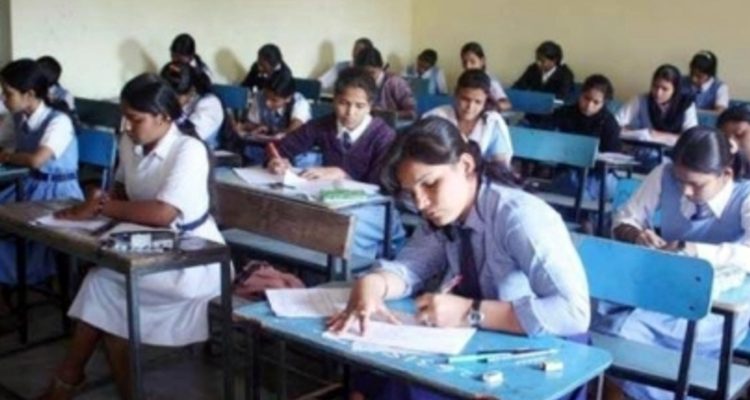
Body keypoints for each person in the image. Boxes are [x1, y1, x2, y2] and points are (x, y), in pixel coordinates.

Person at [328, 117, 590, 400]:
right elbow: (412, 267)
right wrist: (374, 284)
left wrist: (469, 311)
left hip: (542, 346)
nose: (421, 203)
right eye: (411, 193)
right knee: (376, 377)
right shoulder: (444, 214)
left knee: (405, 389)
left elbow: (573, 312)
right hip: (481, 338)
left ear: (465, 166)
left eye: (430, 184)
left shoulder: (520, 217)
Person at [38, 73, 223, 399]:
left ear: (163, 117)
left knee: (103, 287)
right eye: (124, 117)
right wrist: (100, 198)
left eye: (135, 119)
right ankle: (94, 384)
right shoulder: (130, 141)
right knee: (108, 297)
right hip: (145, 246)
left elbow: (163, 213)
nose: (126, 126)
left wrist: (100, 206)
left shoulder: (188, 150)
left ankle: (69, 380)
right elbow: (123, 190)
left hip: (191, 258)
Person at [598, 126, 750, 400]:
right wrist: (637, 236)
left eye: (697, 184)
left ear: (726, 174)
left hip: (714, 311)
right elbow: (624, 219)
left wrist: (692, 249)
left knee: (620, 333)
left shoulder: (745, 198)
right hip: (662, 290)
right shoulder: (665, 174)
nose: (686, 191)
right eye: (680, 181)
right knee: (593, 323)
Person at [267, 67, 404, 259]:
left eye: (359, 106)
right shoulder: (324, 125)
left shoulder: (384, 137)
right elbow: (281, 147)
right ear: (334, 100)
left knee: (333, 229)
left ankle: (347, 272)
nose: (350, 113)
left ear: (370, 106)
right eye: (343, 103)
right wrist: (276, 160)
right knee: (291, 218)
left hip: (375, 209)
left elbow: (382, 188)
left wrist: (343, 175)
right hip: (332, 202)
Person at [0, 59, 83, 289]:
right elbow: (4, 143)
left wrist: (6, 157)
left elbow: (36, 160)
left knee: (19, 232)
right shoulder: (17, 117)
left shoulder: (59, 121)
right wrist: (8, 154)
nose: (3, 99)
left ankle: (21, 277)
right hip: (29, 185)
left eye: (8, 93)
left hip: (59, 193)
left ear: (29, 94)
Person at [423, 69, 512, 166]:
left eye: (478, 102)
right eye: (465, 99)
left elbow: (500, 165)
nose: (470, 107)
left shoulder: (492, 123)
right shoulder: (437, 118)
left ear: (486, 100)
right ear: (456, 93)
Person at [160, 61, 224, 149]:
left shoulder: (210, 104)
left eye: (176, 97)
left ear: (192, 91)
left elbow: (189, 139)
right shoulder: (162, 101)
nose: (170, 101)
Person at [354, 47, 416, 119]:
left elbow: (412, 113)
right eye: (363, 74)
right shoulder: (361, 83)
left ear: (381, 67)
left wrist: (385, 114)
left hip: (393, 124)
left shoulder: (395, 82)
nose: (367, 77)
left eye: (371, 73)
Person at [460, 42, 511, 111]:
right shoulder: (464, 79)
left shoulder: (490, 81)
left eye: (472, 62)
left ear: (482, 61)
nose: (468, 66)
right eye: (464, 62)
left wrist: (493, 102)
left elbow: (506, 104)